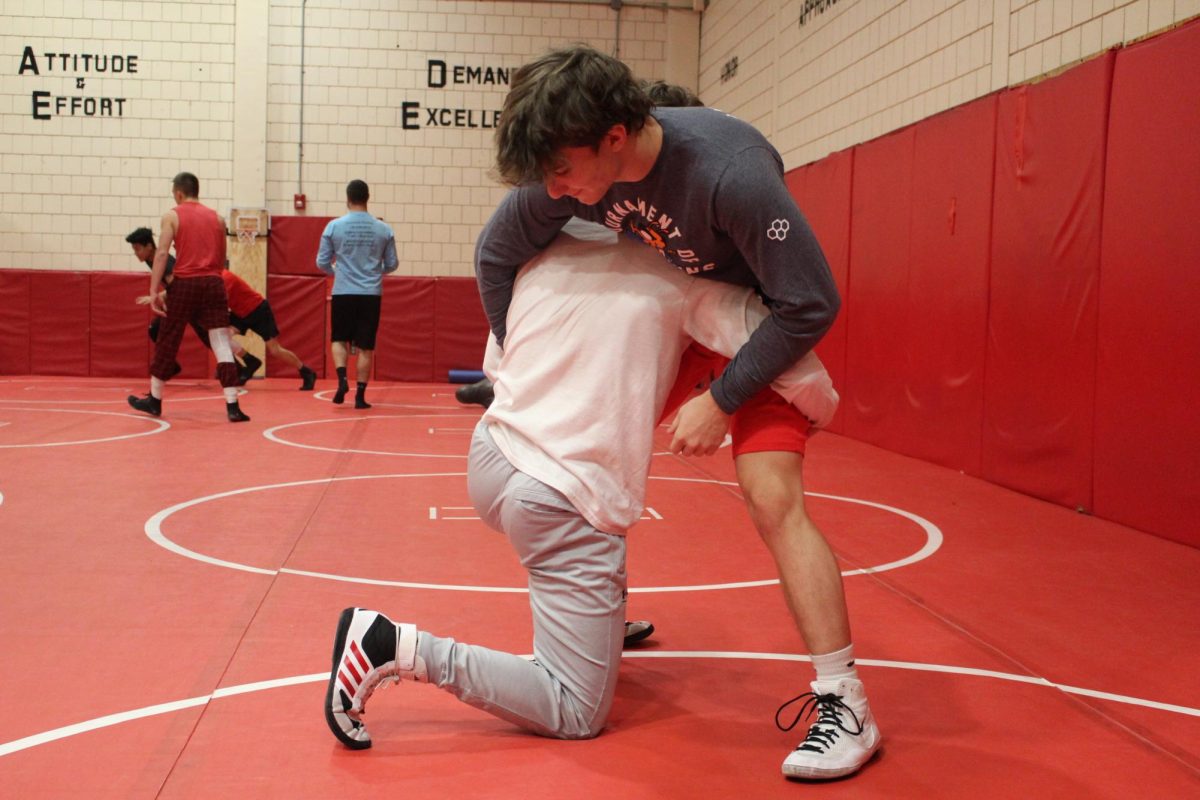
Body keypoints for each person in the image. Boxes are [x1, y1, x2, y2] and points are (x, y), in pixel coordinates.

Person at [470, 46, 878, 781]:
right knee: (582, 447)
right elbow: (495, 251)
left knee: (772, 498)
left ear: (615, 140)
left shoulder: (731, 175)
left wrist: (722, 402)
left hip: (751, 331)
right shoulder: (570, 168)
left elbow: (811, 303)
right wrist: (518, 356)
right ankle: (598, 611)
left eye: (562, 170)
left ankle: (845, 702)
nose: (554, 189)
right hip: (678, 315)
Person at [324, 222, 839, 753]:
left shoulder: (545, 254)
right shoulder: (688, 283)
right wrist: (820, 412)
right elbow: (789, 356)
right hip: (560, 496)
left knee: (587, 509)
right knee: (574, 708)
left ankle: (602, 618)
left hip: (493, 458)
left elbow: (494, 364)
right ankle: (390, 645)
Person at [452, 78, 702, 412]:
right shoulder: (569, 187)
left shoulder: (693, 185)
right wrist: (510, 346)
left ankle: (503, 377)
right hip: (546, 334)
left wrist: (720, 399)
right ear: (620, 140)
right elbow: (492, 253)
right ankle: (501, 377)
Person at [127, 172, 250, 423]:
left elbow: (161, 254)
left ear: (179, 193)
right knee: (221, 342)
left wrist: (153, 292)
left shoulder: (172, 215)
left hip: (186, 281)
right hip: (214, 282)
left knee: (168, 337)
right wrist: (212, 278)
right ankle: (233, 405)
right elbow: (222, 257)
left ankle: (155, 399)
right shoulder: (216, 218)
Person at [316, 179, 399, 409]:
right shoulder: (384, 229)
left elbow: (321, 261)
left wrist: (336, 272)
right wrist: (374, 271)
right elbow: (392, 264)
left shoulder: (334, 227)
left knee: (338, 339)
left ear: (348, 198)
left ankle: (342, 379)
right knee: (366, 346)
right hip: (370, 293)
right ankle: (360, 396)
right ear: (367, 198)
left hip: (343, 291)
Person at [126, 227, 217, 380]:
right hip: (184, 299)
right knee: (158, 329)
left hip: (190, 300)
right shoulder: (151, 260)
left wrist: (157, 296)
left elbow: (178, 285)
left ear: (149, 246)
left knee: (208, 336)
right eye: (134, 250)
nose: (136, 254)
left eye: (138, 249)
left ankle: (165, 370)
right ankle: (169, 366)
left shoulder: (162, 260)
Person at [220, 267, 318, 389]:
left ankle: (306, 371)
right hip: (240, 313)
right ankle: (250, 361)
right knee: (222, 337)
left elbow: (220, 303)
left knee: (275, 350)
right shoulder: (214, 279)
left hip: (258, 310)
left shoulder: (225, 278)